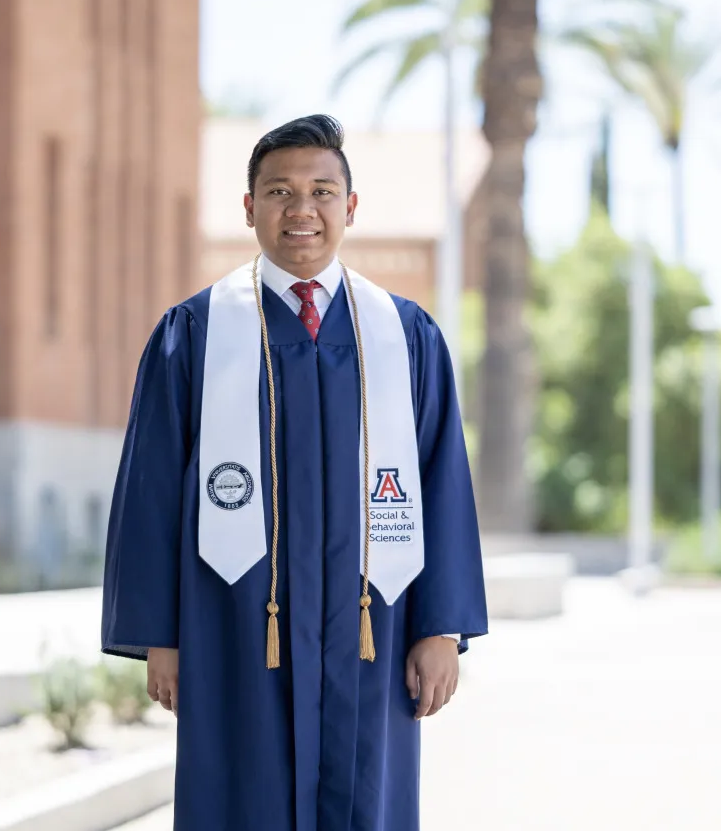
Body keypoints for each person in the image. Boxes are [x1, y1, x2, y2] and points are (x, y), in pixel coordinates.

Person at [101, 114, 488, 831]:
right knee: (242, 795)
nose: (300, 209)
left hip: (372, 628)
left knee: (364, 792)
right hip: (233, 626)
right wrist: (160, 634)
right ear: (248, 208)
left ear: (350, 207)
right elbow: (150, 492)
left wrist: (441, 626)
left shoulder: (403, 337)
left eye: (321, 191)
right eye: (279, 191)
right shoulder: (196, 334)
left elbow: (442, 484)